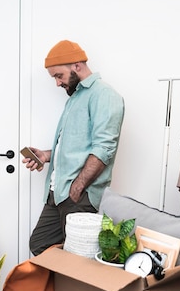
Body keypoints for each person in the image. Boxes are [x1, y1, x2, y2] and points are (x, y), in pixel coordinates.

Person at [24, 39, 125, 255]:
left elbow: (104, 148)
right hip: (57, 193)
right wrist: (45, 155)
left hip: (77, 195)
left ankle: (71, 289)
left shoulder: (104, 95)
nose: (57, 83)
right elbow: (72, 147)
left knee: (77, 259)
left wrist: (77, 188)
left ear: (76, 66)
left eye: (58, 76)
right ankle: (57, 289)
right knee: (40, 245)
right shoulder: (75, 97)